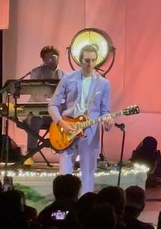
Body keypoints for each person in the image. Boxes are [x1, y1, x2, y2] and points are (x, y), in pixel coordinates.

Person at [48, 44, 112, 195]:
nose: (90, 64)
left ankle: (86, 203)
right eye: (87, 60)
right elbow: (52, 105)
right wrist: (61, 123)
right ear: (80, 60)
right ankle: (64, 202)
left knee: (88, 172)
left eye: (93, 60)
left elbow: (105, 111)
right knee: (64, 174)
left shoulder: (103, 83)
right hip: (68, 127)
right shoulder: (68, 78)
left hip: (90, 131)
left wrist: (108, 123)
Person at [26, 45, 65, 157]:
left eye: (54, 57)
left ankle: (66, 152)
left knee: (68, 119)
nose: (52, 60)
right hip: (37, 112)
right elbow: (36, 95)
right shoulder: (36, 72)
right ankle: (30, 153)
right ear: (43, 60)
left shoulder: (64, 75)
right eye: (48, 58)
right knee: (36, 120)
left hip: (54, 114)